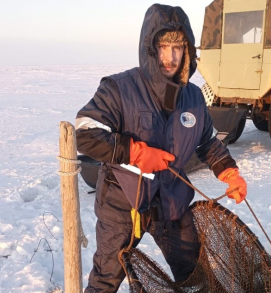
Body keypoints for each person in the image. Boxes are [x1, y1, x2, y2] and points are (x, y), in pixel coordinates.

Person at [75, 3, 247, 292]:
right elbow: (86, 133)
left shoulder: (193, 97)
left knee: (195, 277)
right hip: (123, 202)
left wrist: (229, 173)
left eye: (178, 48)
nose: (170, 57)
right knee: (106, 278)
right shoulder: (119, 88)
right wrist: (135, 153)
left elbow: (208, 142)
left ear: (187, 51)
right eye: (163, 47)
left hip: (172, 201)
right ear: (150, 48)